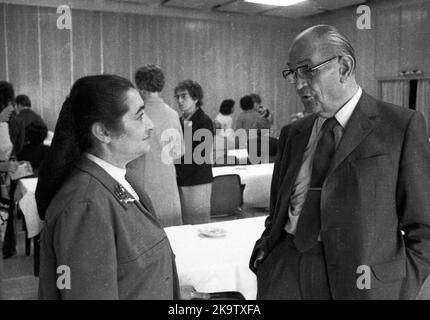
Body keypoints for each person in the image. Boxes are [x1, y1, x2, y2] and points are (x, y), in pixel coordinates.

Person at [250, 25, 430, 300]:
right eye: (292, 72)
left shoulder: (400, 126)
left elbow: (424, 226)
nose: (298, 83)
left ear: (344, 67)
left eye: (307, 69)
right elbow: (277, 207)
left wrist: (399, 287)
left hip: (361, 281)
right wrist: (267, 252)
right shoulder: (293, 133)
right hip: (284, 268)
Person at [36, 75, 180, 299]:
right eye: (140, 116)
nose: (150, 124)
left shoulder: (122, 179)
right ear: (103, 132)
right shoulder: (85, 207)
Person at [127, 65, 183, 227]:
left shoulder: (136, 115)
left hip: (140, 180)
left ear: (141, 88)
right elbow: (178, 153)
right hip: (167, 182)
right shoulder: (172, 114)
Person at [174, 80, 214, 224]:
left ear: (196, 98)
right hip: (180, 180)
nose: (179, 101)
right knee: (184, 223)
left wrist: (176, 171)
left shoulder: (204, 121)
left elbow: (200, 156)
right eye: (177, 97)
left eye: (184, 96)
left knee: (198, 224)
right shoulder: (178, 121)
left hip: (197, 181)